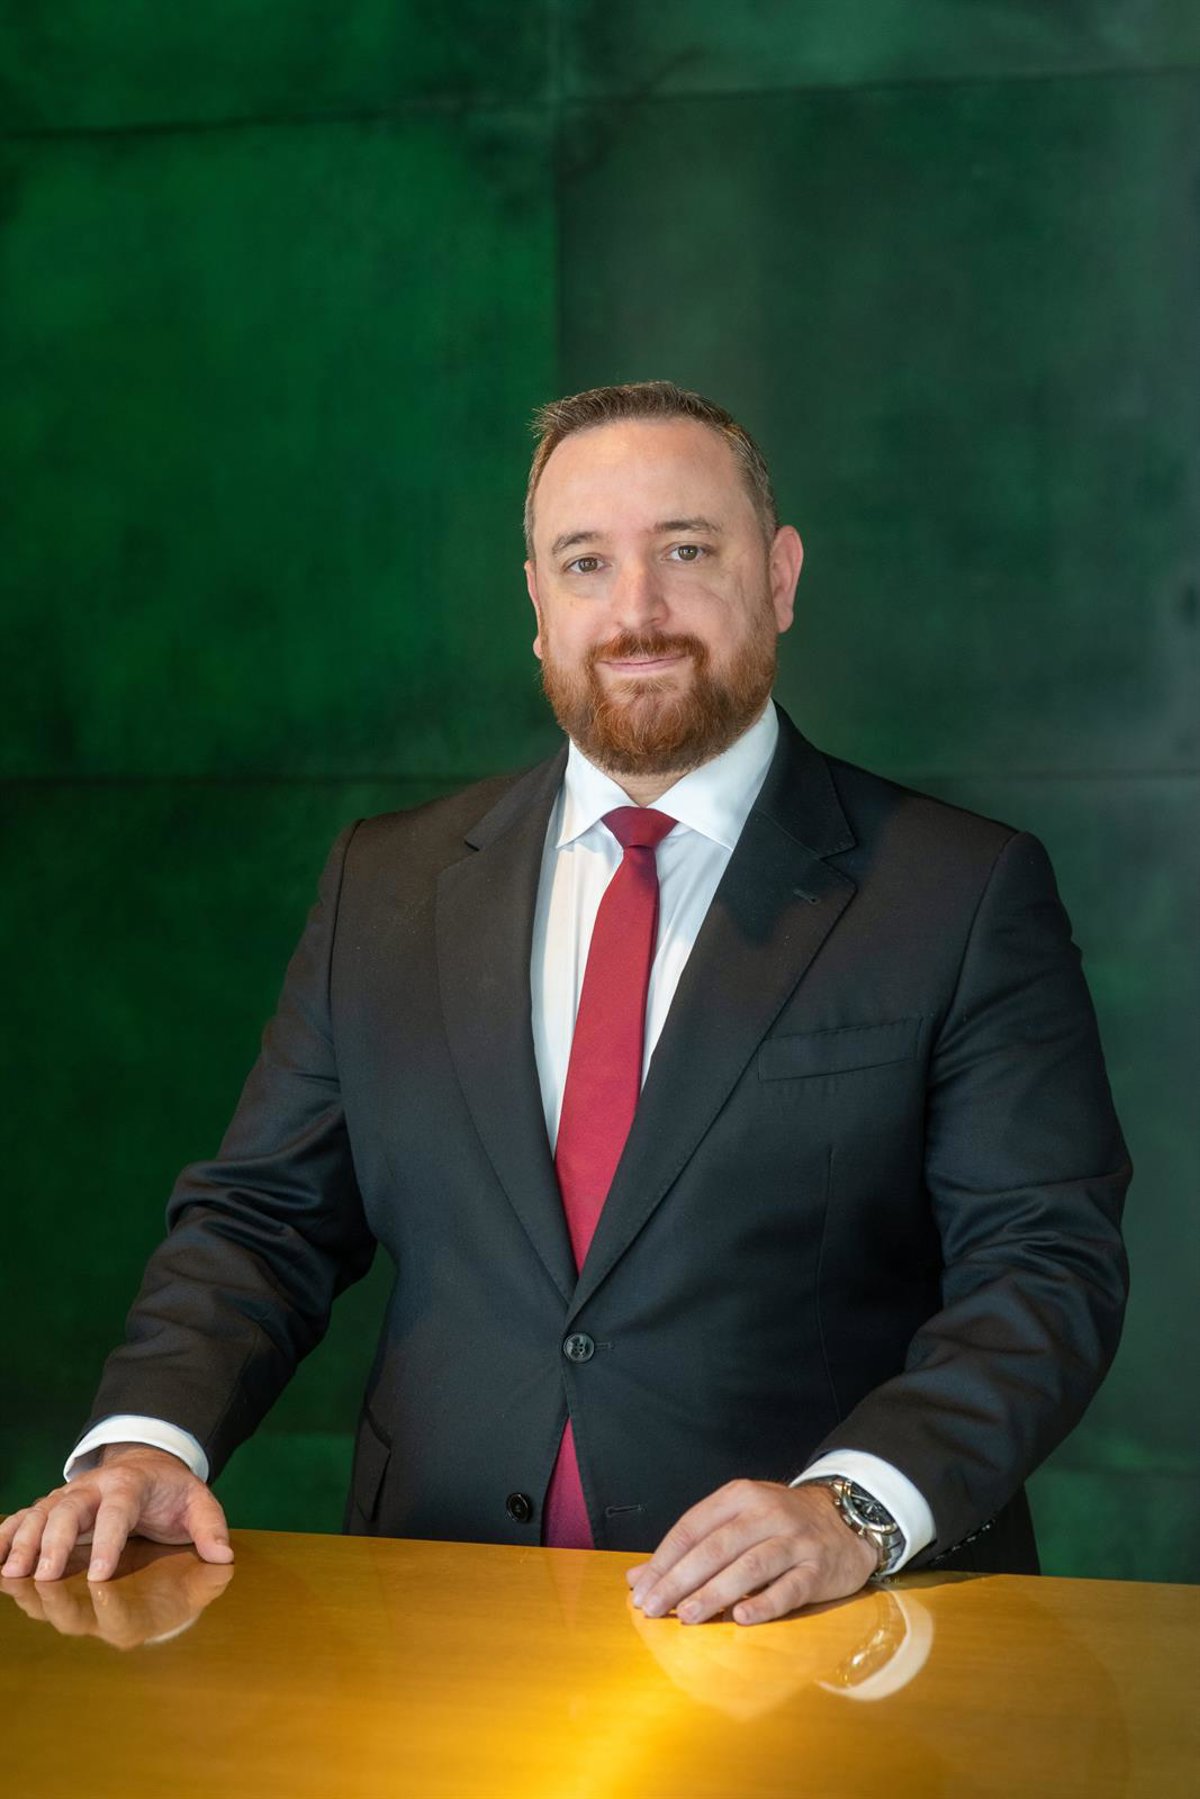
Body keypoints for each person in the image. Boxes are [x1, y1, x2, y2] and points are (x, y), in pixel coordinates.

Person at [0, 381, 1130, 1626]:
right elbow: (264, 1219)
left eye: (686, 550)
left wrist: (853, 1507)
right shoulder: (388, 881)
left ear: (780, 577)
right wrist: (149, 1440)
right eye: (587, 562)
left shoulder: (959, 891)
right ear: (537, 605)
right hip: (442, 1619)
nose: (636, 611)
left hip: (821, 1632)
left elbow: (1043, 1268)